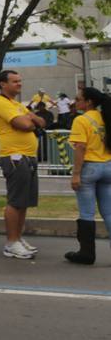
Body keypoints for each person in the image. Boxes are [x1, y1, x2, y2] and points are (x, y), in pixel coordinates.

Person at [0, 69, 41, 260]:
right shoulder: (0, 103)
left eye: (20, 81)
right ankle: (11, 243)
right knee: (15, 201)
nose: (19, 84)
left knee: (24, 201)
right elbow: (26, 125)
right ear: (3, 84)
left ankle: (18, 238)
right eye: (15, 81)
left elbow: (42, 121)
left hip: (29, 156)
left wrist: (31, 118)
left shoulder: (17, 104)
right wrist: (31, 120)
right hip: (14, 157)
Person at [66, 86, 111, 265]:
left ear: (88, 102)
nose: (75, 102)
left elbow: (80, 148)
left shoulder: (81, 120)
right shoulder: (106, 117)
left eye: (78, 99)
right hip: (108, 167)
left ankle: (86, 253)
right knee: (109, 213)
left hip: (89, 168)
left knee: (87, 213)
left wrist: (76, 174)